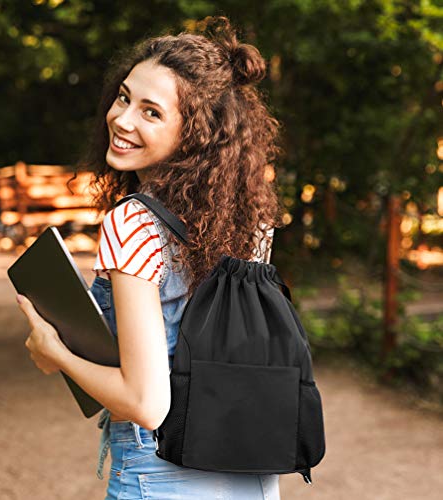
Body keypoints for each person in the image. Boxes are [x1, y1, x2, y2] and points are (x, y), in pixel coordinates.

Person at [16, 15, 285, 499]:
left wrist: (56, 352)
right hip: (252, 472)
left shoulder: (133, 223)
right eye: (124, 97)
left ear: (195, 133)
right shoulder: (252, 217)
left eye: (151, 112)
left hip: (161, 476)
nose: (122, 119)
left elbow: (146, 403)